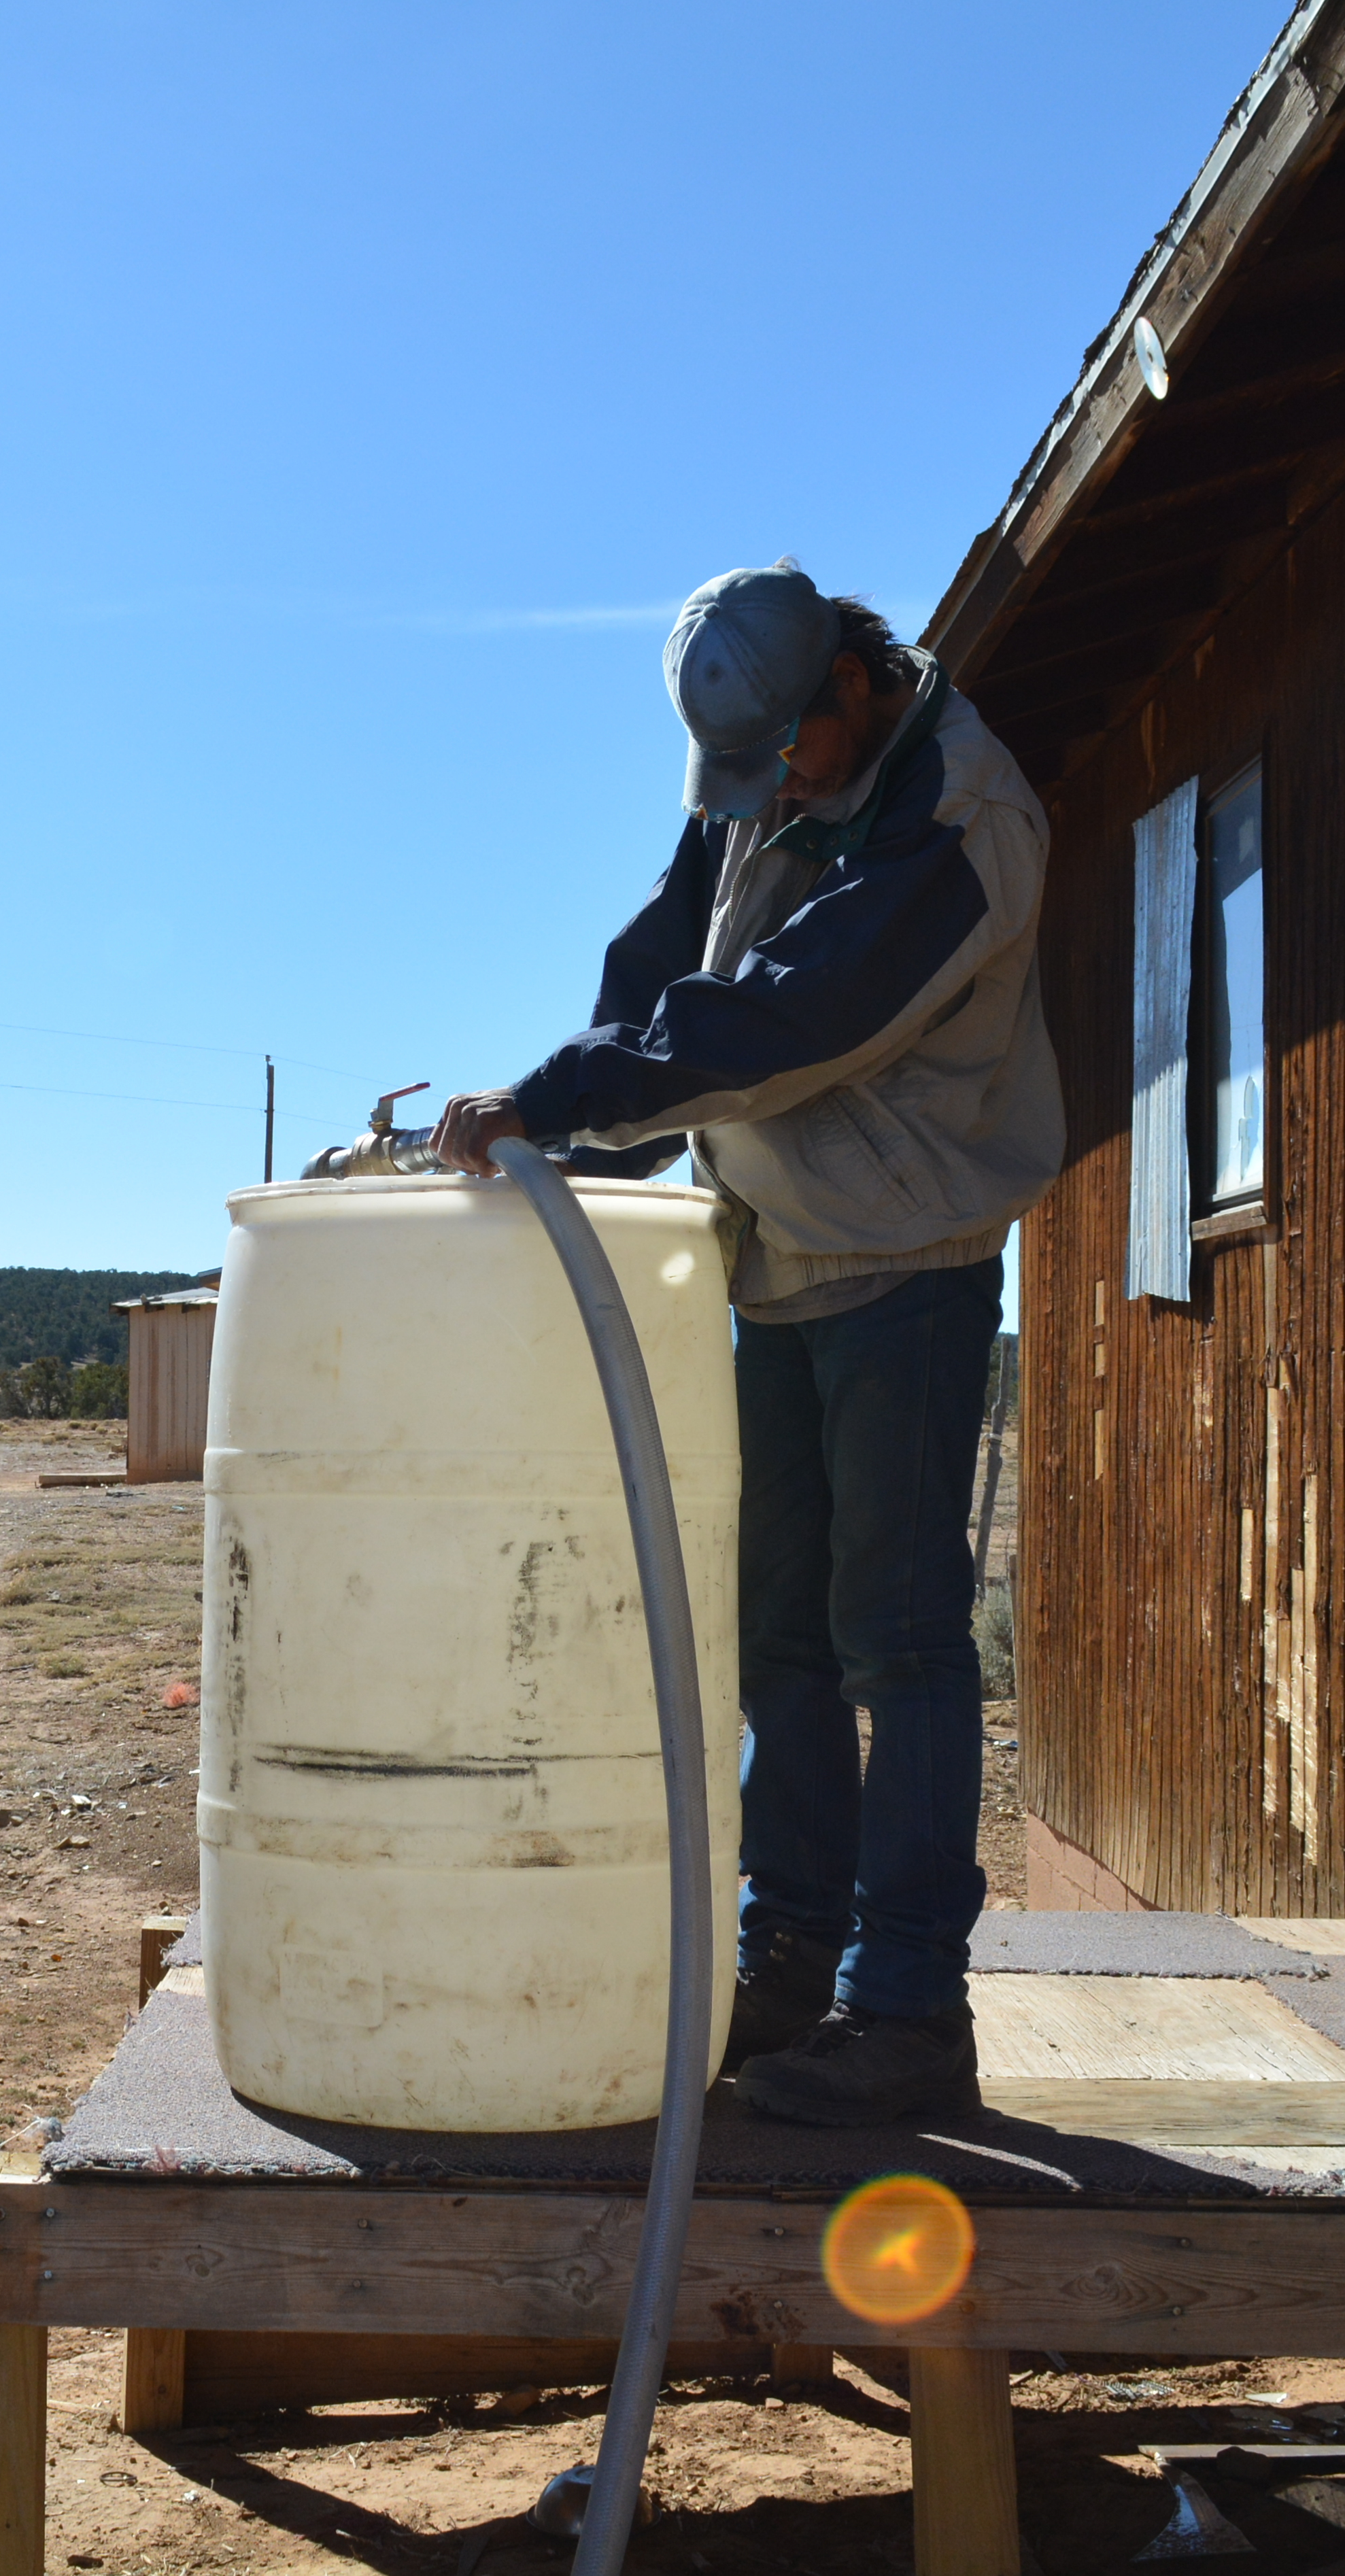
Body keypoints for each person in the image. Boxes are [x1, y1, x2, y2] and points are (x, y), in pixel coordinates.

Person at [432, 560, 1061, 2129]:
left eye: (789, 754)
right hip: (776, 1255)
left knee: (900, 1641)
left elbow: (793, 1015)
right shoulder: (772, 762)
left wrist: (576, 1100)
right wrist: (578, 1113)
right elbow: (671, 954)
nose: (769, 788)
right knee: (776, 1629)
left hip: (903, 1260)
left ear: (853, 683)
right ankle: (785, 1961)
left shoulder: (960, 823)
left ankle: (908, 2005)